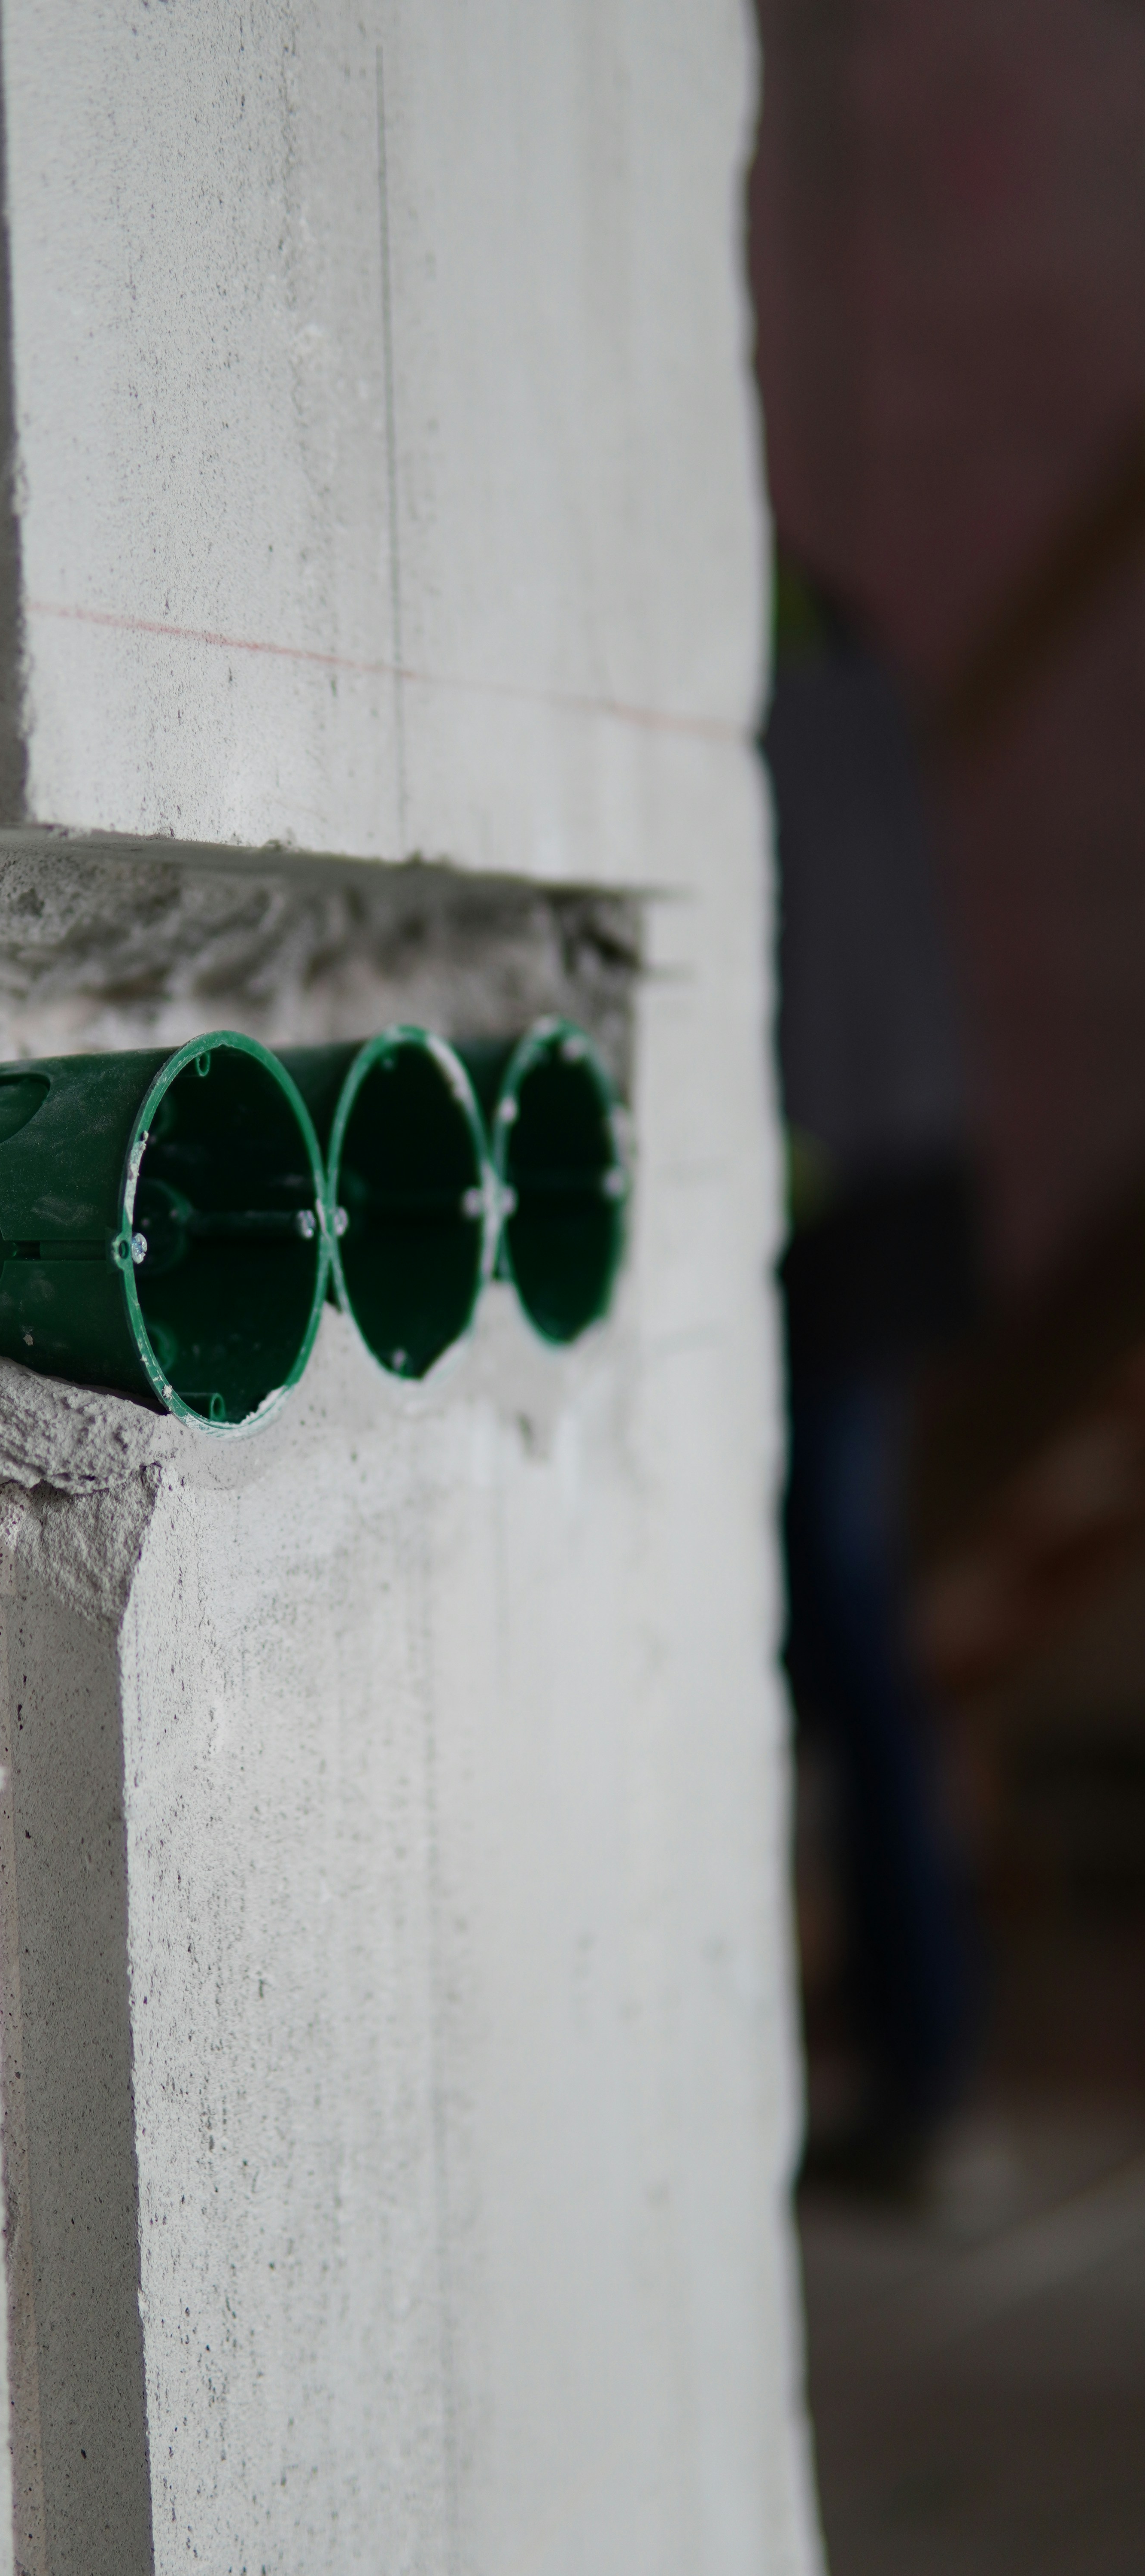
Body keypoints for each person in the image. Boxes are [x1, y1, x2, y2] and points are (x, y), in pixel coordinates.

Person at [765, 558, 982, 2187]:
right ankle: (920, 2064)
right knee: (852, 1650)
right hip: (900, 1194)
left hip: (839, 1208)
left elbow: (816, 965)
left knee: (840, 1646)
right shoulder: (843, 636)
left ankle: (923, 2079)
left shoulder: (762, 646)